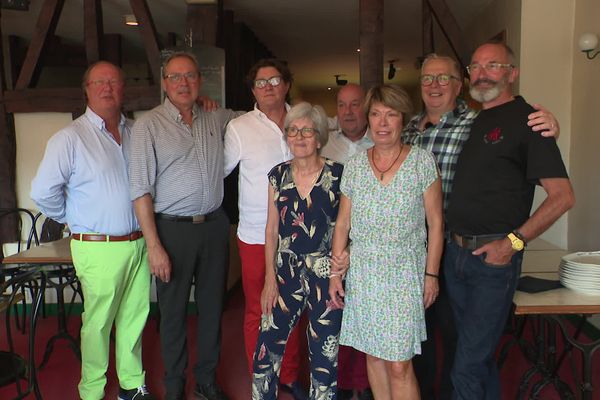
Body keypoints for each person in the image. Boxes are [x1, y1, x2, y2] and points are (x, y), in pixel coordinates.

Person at [402, 53, 561, 400]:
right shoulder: (409, 129)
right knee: (424, 341)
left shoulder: (475, 122)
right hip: (422, 251)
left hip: (472, 252)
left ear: (460, 85)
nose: (434, 85)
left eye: (444, 78)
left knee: (465, 352)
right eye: (427, 78)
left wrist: (548, 125)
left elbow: (558, 191)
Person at [444, 42, 574, 399]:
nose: (482, 73)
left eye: (493, 65)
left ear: (512, 73)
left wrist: (512, 243)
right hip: (455, 255)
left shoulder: (529, 121)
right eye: (476, 66)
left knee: (467, 366)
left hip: (493, 260)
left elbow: (563, 197)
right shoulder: (472, 120)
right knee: (477, 359)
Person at [30, 61, 154, 400]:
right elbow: (42, 192)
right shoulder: (70, 138)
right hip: (98, 246)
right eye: (99, 81)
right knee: (98, 323)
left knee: (134, 318)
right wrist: (72, 218)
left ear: (123, 88)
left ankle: (131, 385)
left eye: (114, 81)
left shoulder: (135, 132)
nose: (107, 87)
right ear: (86, 89)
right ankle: (92, 391)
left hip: (139, 243)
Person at [129, 51, 240, 400]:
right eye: (175, 77)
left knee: (212, 309)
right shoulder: (148, 125)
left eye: (190, 76)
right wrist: (154, 245)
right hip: (171, 231)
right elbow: (140, 190)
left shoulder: (215, 116)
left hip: (214, 227)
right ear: (164, 82)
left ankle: (206, 380)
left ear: (199, 81)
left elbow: (257, 121)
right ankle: (174, 384)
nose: (183, 83)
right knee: (173, 313)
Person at [329, 84, 444, 399]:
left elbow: (436, 223)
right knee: (374, 355)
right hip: (364, 272)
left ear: (402, 120)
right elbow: (343, 222)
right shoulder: (355, 166)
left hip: (404, 271)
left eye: (390, 115)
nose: (382, 123)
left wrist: (431, 275)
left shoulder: (422, 162)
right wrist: (335, 272)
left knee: (399, 365)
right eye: (376, 114)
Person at [224, 59, 307, 399]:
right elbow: (220, 174)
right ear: (253, 89)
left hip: (300, 235)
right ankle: (263, 376)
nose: (268, 87)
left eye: (274, 80)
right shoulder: (239, 127)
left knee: (294, 308)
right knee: (259, 308)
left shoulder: (303, 119)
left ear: (286, 84)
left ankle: (288, 375)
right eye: (261, 82)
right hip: (256, 234)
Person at [252, 102, 343, 399]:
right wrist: (268, 280)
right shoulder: (277, 175)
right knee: (267, 348)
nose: (299, 136)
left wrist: (342, 266)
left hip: (325, 275)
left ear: (319, 137)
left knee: (324, 357)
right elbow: (271, 230)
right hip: (284, 273)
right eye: (293, 130)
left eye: (307, 130)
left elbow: (349, 229)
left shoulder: (339, 176)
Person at [321, 83, 373, 400]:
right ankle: (339, 385)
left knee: (365, 316)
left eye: (355, 105)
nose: (348, 112)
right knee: (334, 317)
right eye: (342, 105)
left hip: (370, 245)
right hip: (331, 244)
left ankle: (364, 386)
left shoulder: (383, 141)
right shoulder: (325, 145)